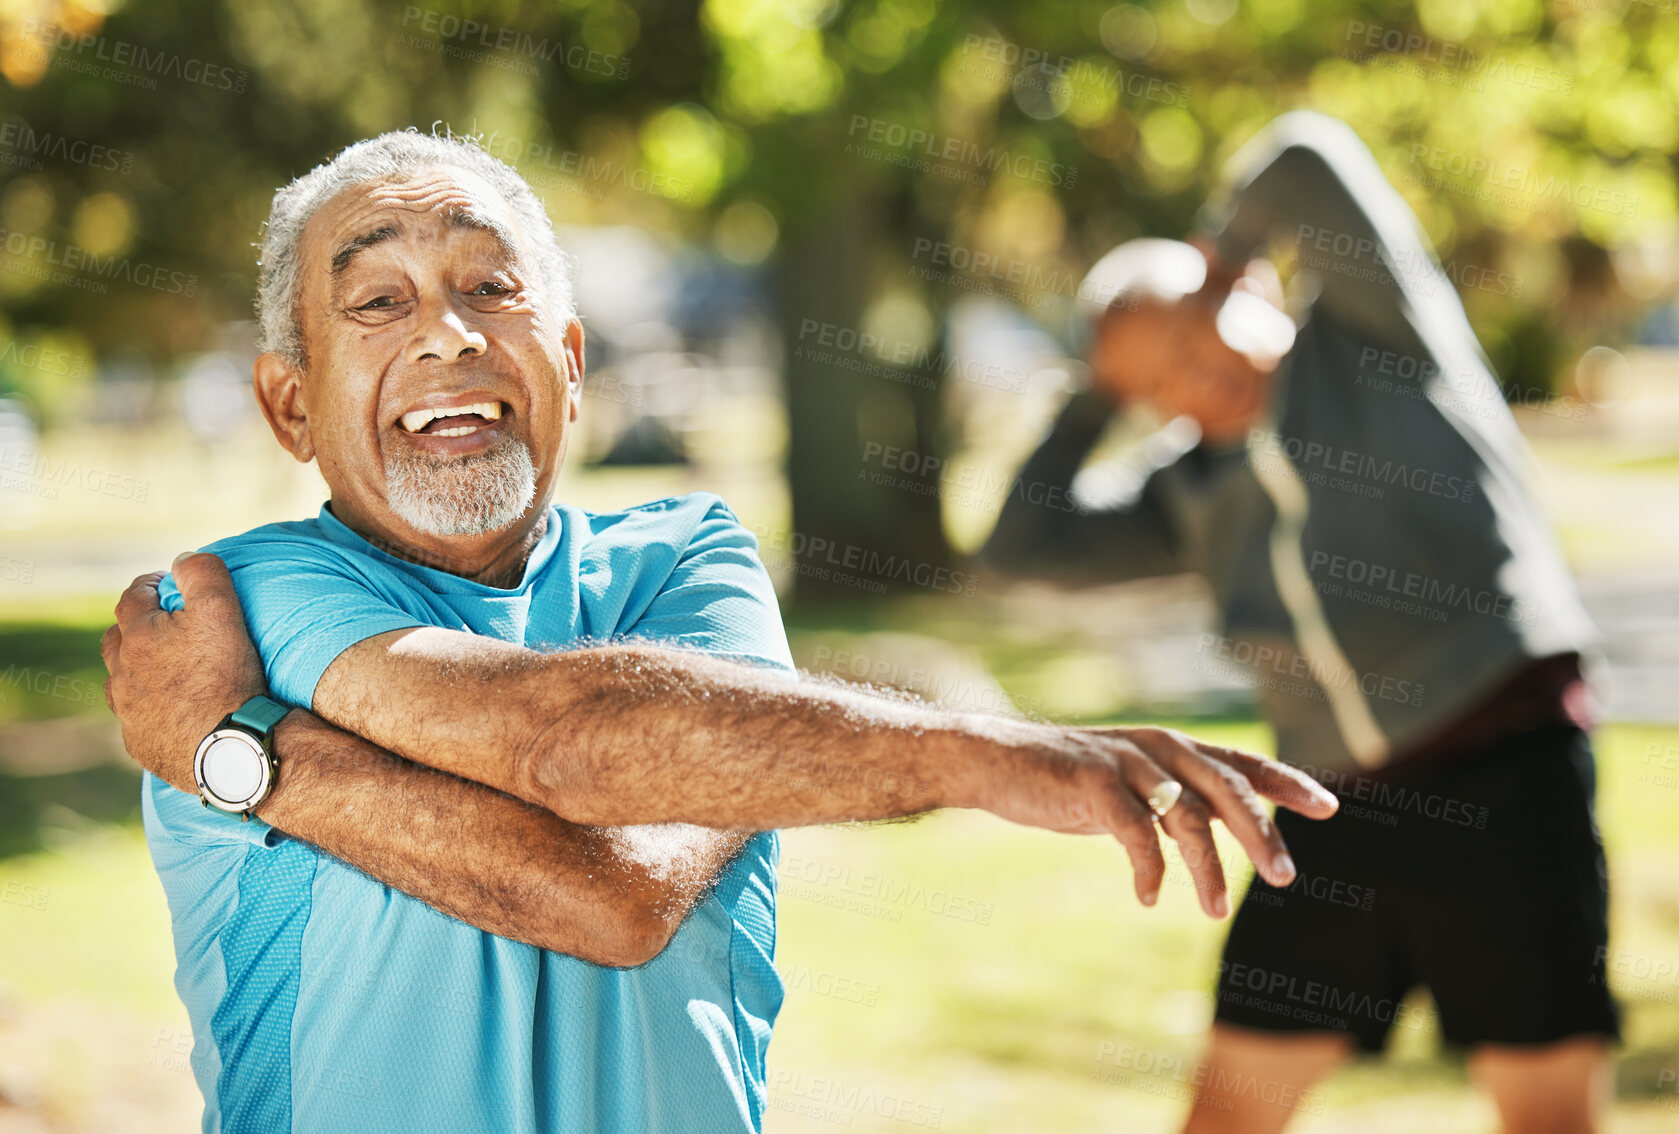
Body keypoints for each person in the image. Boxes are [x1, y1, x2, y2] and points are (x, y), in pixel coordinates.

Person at [97, 130, 1339, 1134]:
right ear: (290, 403)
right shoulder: (239, 602)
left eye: (491, 286)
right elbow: (553, 756)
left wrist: (243, 748)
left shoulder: (686, 559)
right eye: (377, 299)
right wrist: (983, 755)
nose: (449, 331)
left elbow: (626, 887)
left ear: (571, 364)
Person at [981, 111, 1615, 1134]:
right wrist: (1099, 391)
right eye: (1158, 382)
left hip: (1505, 778)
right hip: (1328, 817)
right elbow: (1016, 550)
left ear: (1247, 290)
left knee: (1545, 1114)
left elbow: (1307, 155)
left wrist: (1216, 251)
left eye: (1195, 340)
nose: (1193, 383)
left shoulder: (1376, 337)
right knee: (1226, 1115)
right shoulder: (1183, 485)